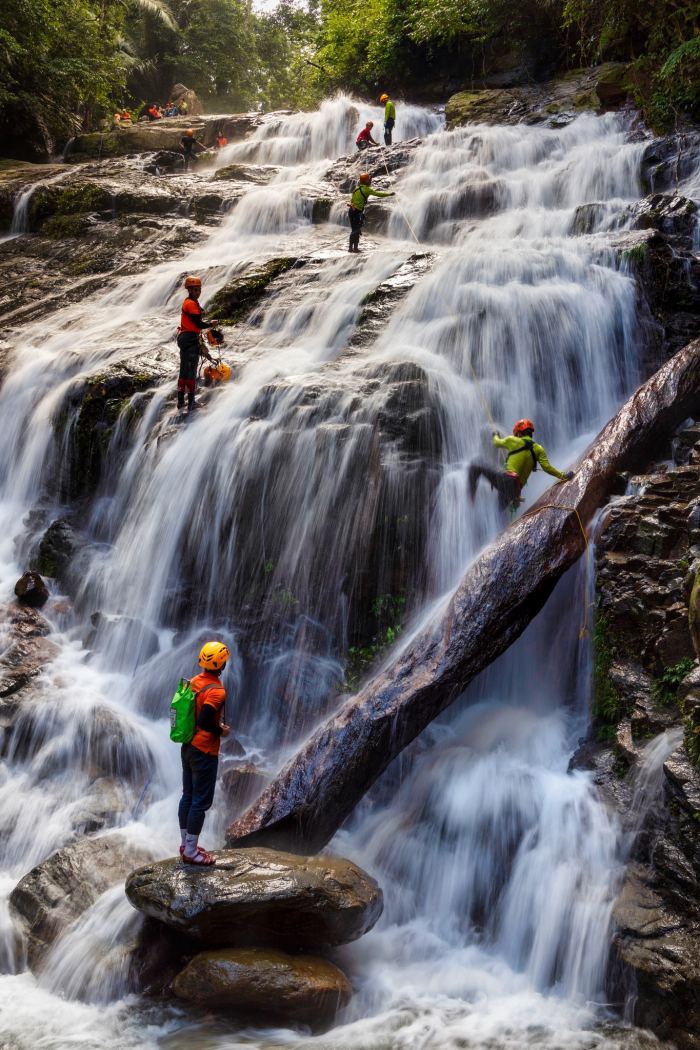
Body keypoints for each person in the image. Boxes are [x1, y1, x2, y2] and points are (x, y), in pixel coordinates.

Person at [177, 641, 231, 866]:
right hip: (204, 751)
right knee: (200, 802)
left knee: (188, 796)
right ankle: (191, 852)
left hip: (187, 746)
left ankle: (185, 843)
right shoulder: (217, 691)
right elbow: (205, 720)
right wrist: (222, 731)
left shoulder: (194, 682)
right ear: (222, 665)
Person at [468, 418, 574, 513]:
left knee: (475, 464)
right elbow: (547, 468)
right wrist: (564, 475)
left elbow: (496, 443)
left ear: (518, 433)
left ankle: (470, 501)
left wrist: (495, 434)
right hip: (515, 492)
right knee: (498, 511)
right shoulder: (538, 449)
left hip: (506, 481)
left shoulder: (513, 440)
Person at [177, 275, 217, 412]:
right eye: (194, 290)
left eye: (199, 289)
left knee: (183, 370)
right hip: (190, 339)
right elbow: (198, 323)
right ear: (189, 290)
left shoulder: (188, 302)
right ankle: (191, 403)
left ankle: (181, 401)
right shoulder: (191, 304)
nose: (197, 292)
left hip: (184, 338)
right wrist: (210, 324)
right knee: (191, 372)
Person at [348, 172, 395, 253]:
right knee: (356, 230)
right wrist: (389, 194)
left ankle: (350, 248)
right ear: (367, 181)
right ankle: (355, 249)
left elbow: (352, 200)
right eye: (369, 180)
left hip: (351, 211)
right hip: (357, 212)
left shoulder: (356, 189)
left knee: (354, 229)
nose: (370, 181)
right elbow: (378, 194)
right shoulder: (367, 189)